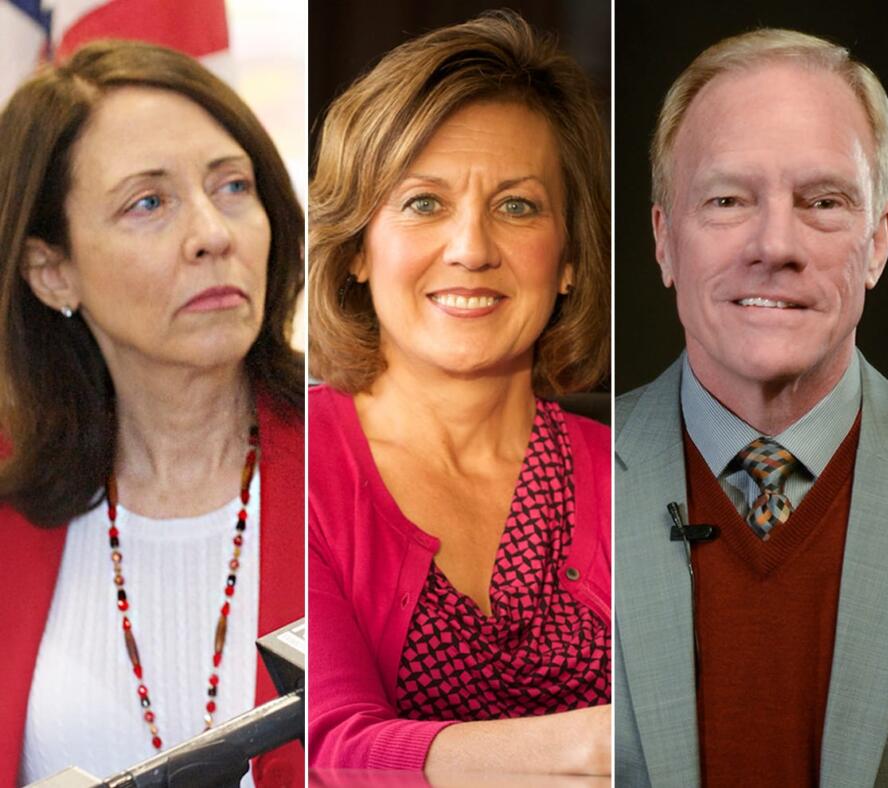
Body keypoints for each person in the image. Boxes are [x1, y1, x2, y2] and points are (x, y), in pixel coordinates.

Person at [307, 11, 612, 776]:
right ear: (356, 251)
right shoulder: (290, 459)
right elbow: (329, 754)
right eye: (423, 203)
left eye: (517, 206)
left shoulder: (640, 470)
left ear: (569, 257)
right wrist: (598, 746)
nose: (472, 248)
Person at [614, 28, 888, 787]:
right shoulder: (564, 472)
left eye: (822, 201)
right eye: (726, 200)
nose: (774, 244)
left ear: (878, 243)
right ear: (663, 241)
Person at [0, 41, 305, 786]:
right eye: (149, 202)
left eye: (232, 186)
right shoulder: (10, 503)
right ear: (52, 270)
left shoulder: (370, 461)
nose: (213, 233)